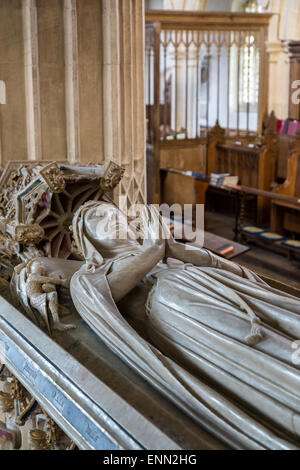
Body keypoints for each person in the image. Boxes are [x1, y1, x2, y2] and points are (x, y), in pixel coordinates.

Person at [70, 200, 300, 450]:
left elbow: (226, 267)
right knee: (267, 349)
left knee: (284, 324)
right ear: (86, 238)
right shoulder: (90, 276)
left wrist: (176, 250)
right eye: (98, 218)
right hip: (177, 308)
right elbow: (106, 295)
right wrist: (155, 248)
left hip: (218, 284)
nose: (111, 220)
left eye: (115, 215)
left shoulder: (156, 246)